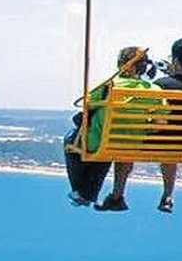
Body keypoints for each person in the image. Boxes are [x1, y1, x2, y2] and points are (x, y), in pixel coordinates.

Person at [95, 37, 182, 213]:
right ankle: (167, 197)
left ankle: (117, 195)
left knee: (130, 138)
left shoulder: (161, 85)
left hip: (158, 143)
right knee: (171, 147)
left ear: (175, 60)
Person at [65, 46, 154, 206]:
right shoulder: (153, 90)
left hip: (102, 142)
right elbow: (162, 117)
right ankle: (85, 194)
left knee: (72, 140)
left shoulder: (110, 86)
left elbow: (87, 104)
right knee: (107, 145)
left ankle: (81, 191)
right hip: (133, 144)